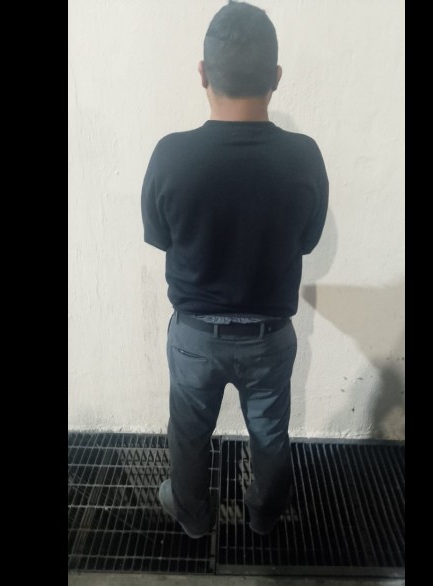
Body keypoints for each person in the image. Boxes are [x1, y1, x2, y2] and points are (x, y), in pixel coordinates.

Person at [141, 0, 328, 538]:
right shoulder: (304, 156)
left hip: (195, 336)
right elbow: (308, 241)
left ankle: (193, 516)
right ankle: (265, 516)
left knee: (188, 435)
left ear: (202, 73)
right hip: (269, 337)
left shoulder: (171, 155)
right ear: (276, 77)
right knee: (270, 434)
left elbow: (161, 238)